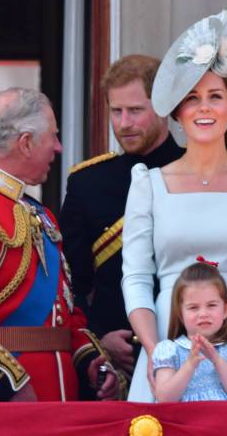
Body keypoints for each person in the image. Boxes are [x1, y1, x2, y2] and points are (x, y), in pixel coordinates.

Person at [122, 10, 227, 401]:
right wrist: (153, 350)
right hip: (166, 337)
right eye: (192, 98)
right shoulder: (148, 184)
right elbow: (136, 279)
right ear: (178, 113)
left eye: (215, 97)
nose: (204, 108)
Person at [60, 55, 182, 378]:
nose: (124, 123)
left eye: (136, 110)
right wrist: (98, 338)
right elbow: (70, 285)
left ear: (164, 106)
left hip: (189, 346)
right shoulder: (86, 183)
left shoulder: (198, 172)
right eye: (116, 111)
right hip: (114, 365)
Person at [0, 87, 119, 401]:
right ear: (25, 143)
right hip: (13, 404)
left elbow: (64, 312)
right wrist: (9, 384)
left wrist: (89, 360)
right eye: (53, 135)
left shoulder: (41, 214)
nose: (59, 147)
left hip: (61, 401)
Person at [153, 260, 227, 402]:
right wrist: (190, 364)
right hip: (183, 421)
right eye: (193, 307)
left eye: (211, 305)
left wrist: (216, 360)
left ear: (225, 310)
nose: (203, 313)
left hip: (223, 421)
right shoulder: (169, 349)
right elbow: (164, 398)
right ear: (180, 313)